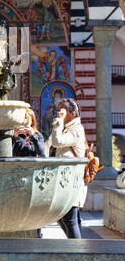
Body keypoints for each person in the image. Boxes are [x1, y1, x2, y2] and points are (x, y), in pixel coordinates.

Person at [49, 98, 87, 239]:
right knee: (69, 218)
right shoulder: (66, 128)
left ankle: (77, 251)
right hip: (65, 181)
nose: (59, 112)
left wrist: (58, 123)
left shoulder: (76, 129)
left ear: (72, 113)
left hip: (71, 181)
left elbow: (58, 142)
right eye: (58, 109)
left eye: (62, 109)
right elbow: (49, 144)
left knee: (69, 219)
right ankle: (79, 248)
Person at [13, 108, 45, 238]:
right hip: (19, 175)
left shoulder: (38, 136)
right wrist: (15, 138)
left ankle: (36, 232)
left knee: (35, 206)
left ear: (32, 122)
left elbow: (42, 154)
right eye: (23, 121)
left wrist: (33, 136)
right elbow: (12, 154)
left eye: (28, 121)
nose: (25, 125)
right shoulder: (18, 137)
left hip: (34, 175)